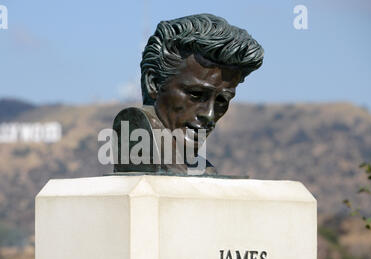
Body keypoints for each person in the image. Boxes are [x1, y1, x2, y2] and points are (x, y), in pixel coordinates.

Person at [113, 13, 264, 175]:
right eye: (196, 94)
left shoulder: (201, 169)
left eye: (222, 100)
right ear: (154, 83)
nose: (209, 114)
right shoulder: (138, 142)